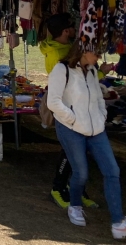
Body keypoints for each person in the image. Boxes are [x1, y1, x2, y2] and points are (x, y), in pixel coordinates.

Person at [47, 42, 126, 238]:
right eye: (96, 53)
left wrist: (101, 115)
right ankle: (74, 205)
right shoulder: (61, 69)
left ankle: (118, 221)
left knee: (112, 171)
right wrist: (72, 118)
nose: (99, 57)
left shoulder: (91, 71)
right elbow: (53, 101)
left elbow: (99, 98)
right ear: (84, 51)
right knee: (81, 173)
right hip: (71, 128)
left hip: (96, 129)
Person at [40, 14, 97, 209]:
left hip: (74, 104)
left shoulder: (58, 48)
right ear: (66, 31)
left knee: (79, 149)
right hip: (66, 106)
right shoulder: (61, 55)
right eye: (72, 26)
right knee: (70, 149)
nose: (75, 29)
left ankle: (76, 189)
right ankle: (58, 188)